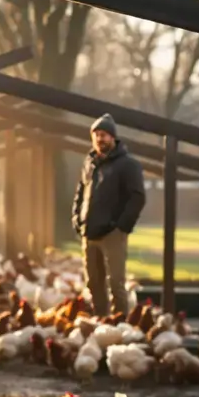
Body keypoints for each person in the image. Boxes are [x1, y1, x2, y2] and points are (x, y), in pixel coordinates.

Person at [71, 113, 146, 317]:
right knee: (94, 283)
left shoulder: (128, 165)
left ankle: (121, 324)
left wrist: (121, 226)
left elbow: (137, 197)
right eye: (96, 134)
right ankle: (101, 321)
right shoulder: (89, 163)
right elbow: (80, 192)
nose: (100, 139)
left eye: (104, 134)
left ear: (113, 137)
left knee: (116, 283)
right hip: (89, 232)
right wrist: (77, 219)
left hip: (112, 234)